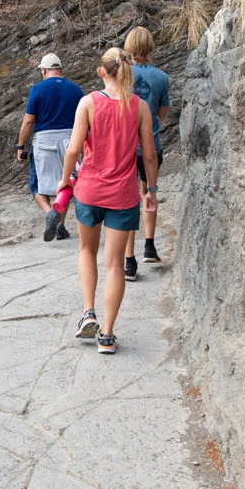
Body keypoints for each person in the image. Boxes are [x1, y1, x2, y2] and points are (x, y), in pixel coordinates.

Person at [57, 47, 157, 355]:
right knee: (115, 264)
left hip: (89, 190)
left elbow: (74, 149)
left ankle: (88, 312)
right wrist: (151, 190)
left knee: (87, 250)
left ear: (102, 71)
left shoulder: (88, 103)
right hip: (124, 195)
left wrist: (64, 181)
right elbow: (149, 155)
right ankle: (107, 335)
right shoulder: (139, 107)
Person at [15, 53, 83, 242]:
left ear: (43, 70)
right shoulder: (76, 90)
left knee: (36, 184)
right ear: (60, 69)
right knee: (67, 180)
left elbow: (28, 121)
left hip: (44, 142)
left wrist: (20, 146)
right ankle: (60, 225)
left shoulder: (38, 89)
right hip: (70, 140)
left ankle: (49, 213)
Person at [123, 26, 170, 280]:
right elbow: (162, 113)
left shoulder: (121, 74)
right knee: (149, 193)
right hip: (150, 145)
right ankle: (149, 246)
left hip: (126, 148)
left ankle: (129, 260)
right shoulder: (161, 78)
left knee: (128, 200)